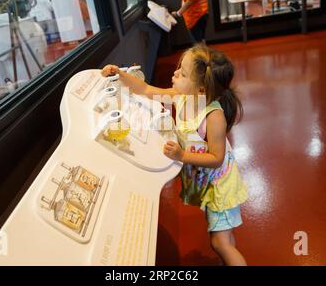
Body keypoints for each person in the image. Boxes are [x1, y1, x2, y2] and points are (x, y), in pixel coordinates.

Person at [101, 45, 248, 266]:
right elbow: (145, 90)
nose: (175, 73)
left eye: (183, 73)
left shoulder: (213, 116)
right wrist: (120, 74)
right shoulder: (181, 96)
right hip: (207, 181)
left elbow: (216, 158)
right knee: (224, 237)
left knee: (220, 243)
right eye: (179, 67)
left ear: (200, 89)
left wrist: (182, 155)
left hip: (220, 186)